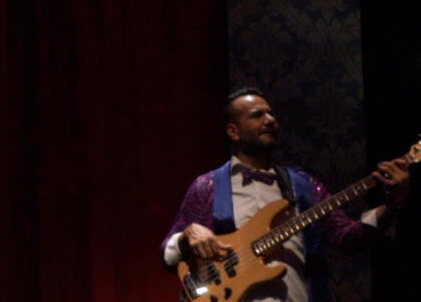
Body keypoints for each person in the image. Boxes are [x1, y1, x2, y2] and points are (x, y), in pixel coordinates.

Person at [160, 87, 410, 302]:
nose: (270, 120)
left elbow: (347, 238)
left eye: (271, 114)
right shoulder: (207, 186)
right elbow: (168, 255)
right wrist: (187, 235)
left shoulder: (303, 185)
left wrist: (393, 205)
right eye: (257, 115)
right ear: (233, 131)